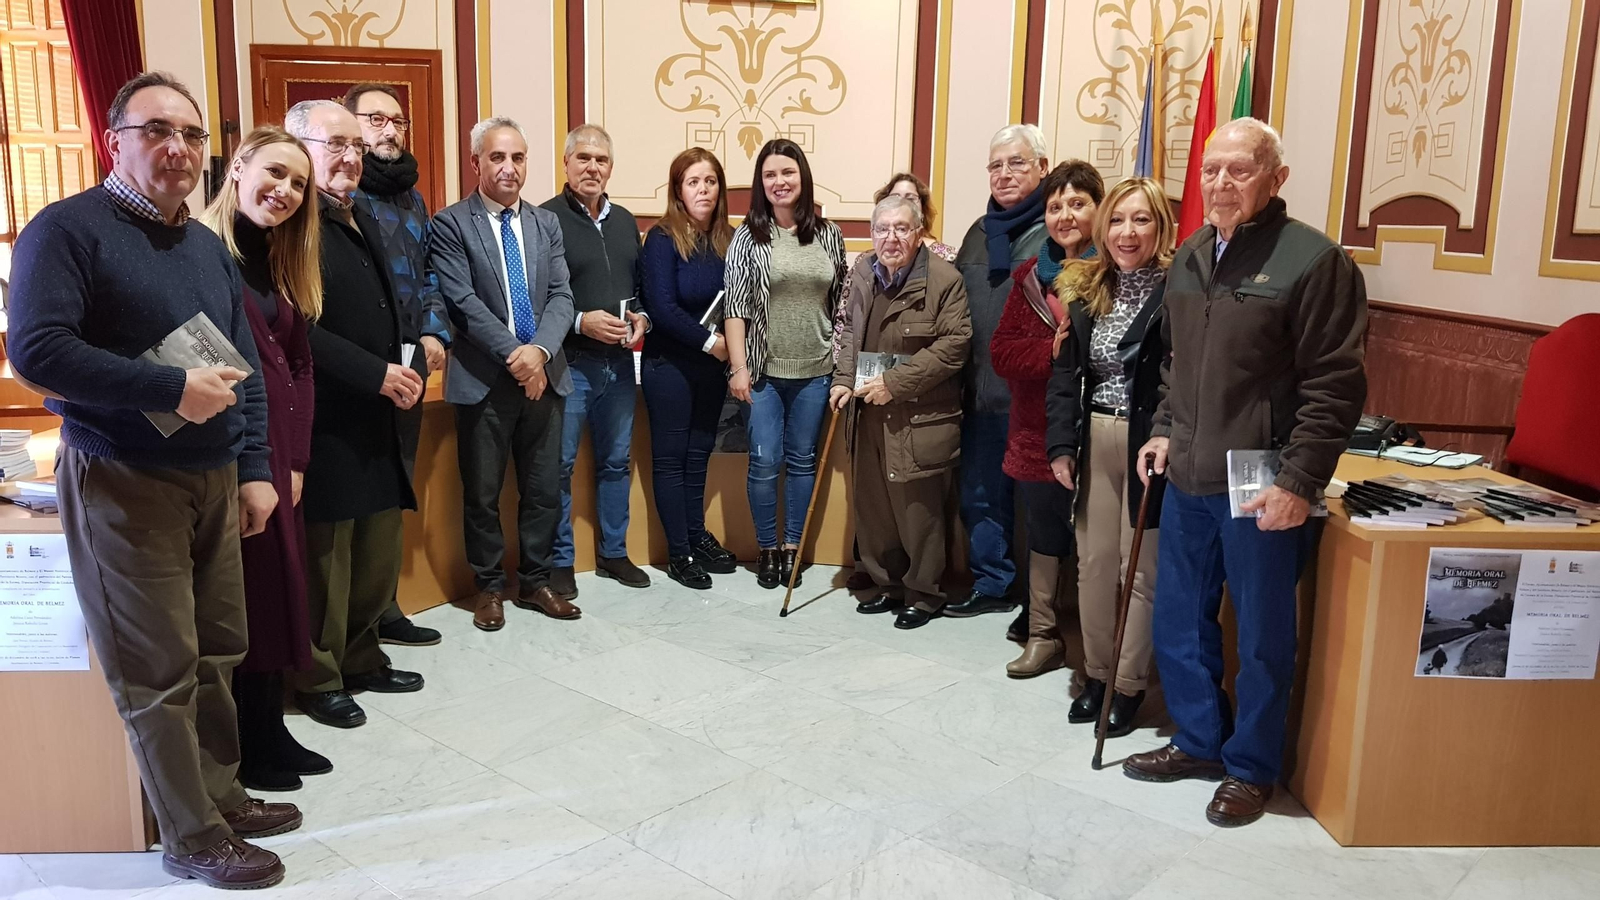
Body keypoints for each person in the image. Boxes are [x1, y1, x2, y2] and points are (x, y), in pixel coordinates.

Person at [7, 71, 298, 889]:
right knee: (158, 665)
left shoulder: (205, 246)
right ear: (117, 141)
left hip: (210, 480)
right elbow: (37, 351)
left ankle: (221, 794)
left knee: (217, 651)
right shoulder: (65, 231)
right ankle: (193, 833)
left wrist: (252, 471)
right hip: (122, 478)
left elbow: (233, 369)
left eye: (193, 136)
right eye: (157, 131)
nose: (178, 149)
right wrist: (168, 389)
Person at [1123, 118, 1368, 828]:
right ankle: (1200, 740)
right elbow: (1175, 366)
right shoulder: (1193, 253)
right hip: (1190, 478)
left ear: (1275, 179)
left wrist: (1299, 482)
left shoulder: (1314, 263)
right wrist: (1164, 430)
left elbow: (1335, 385)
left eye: (1240, 170)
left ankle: (1252, 766)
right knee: (1179, 620)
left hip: (1262, 482)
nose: (1222, 183)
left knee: (1262, 636)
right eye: (1212, 171)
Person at [197, 126, 333, 792]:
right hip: (232, 455)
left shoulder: (278, 263)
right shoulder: (203, 252)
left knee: (280, 588)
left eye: (298, 184)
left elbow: (300, 365)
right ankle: (248, 741)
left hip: (279, 456)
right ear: (239, 167)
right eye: (275, 174)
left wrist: (298, 458)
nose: (284, 191)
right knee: (244, 597)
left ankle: (270, 727)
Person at [286, 99, 427, 729]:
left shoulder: (357, 212)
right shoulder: (292, 224)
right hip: (327, 415)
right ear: (299, 151)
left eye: (355, 147)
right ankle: (320, 677)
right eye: (334, 145)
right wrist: (375, 373)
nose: (349, 157)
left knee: (375, 544)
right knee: (329, 556)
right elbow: (297, 328)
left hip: (378, 410)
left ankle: (363, 657)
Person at [430, 117, 578, 631]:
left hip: (546, 378)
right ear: (476, 163)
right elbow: (463, 303)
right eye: (497, 157)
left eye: (517, 158)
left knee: (542, 489)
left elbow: (562, 296)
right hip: (484, 382)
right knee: (482, 494)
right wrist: (519, 357)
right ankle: (489, 588)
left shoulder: (545, 224)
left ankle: (536, 582)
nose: (509, 168)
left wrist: (538, 353)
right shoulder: (449, 224)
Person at [1044, 176, 1174, 736]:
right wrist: (1059, 445)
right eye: (1117, 220)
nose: (1126, 232)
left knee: (1138, 571)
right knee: (1094, 566)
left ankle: (1126, 686)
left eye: (1141, 220)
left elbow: (1181, 377)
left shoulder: (1180, 290)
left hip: (1151, 443)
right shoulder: (1085, 283)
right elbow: (1065, 372)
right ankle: (1095, 674)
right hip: (1094, 434)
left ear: (1161, 227)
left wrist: (1168, 434)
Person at [830, 195, 971, 628]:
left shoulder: (945, 279)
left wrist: (895, 384)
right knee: (875, 507)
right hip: (867, 411)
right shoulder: (862, 272)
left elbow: (954, 346)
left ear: (918, 232)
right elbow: (849, 330)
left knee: (917, 509)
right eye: (882, 229)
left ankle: (924, 593)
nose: (890, 238)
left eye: (901, 228)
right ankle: (887, 584)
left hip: (917, 414)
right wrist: (842, 378)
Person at [990, 159, 1105, 677]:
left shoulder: (1122, 275)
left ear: (1099, 209)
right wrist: (1051, 351)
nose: (1065, 216)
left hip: (1105, 431)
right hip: (1039, 430)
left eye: (1078, 203)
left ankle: (1101, 649)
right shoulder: (1029, 280)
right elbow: (1002, 353)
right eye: (1056, 206)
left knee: (1101, 540)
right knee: (1044, 531)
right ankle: (1043, 633)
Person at [345, 81, 449, 649]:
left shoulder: (410, 194)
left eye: (397, 120)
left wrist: (435, 329)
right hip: (357, 365)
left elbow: (430, 272)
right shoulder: (337, 193)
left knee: (393, 485)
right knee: (353, 493)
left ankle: (384, 608)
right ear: (351, 125)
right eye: (376, 119)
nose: (389, 129)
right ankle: (352, 622)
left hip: (410, 361)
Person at [723, 138, 847, 589]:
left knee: (801, 461)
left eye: (787, 173)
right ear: (761, 182)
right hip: (763, 374)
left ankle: (793, 546)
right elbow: (734, 307)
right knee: (764, 462)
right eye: (770, 174)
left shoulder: (829, 234)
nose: (779, 182)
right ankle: (768, 548)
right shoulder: (748, 236)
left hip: (815, 371)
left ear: (802, 177)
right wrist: (738, 367)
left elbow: (840, 306)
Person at [944, 124, 1050, 621]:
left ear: (1042, 168)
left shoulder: (1057, 229)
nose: (1003, 174)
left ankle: (1040, 600)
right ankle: (993, 583)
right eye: (995, 165)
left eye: (1016, 163)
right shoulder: (977, 233)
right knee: (980, 494)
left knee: (1039, 506)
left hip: (1035, 396)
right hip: (979, 391)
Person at [541, 124, 650, 597]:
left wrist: (642, 316)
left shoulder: (626, 221)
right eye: (582, 158)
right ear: (565, 164)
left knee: (615, 462)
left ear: (611, 169)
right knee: (559, 465)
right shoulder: (545, 219)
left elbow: (640, 290)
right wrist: (580, 321)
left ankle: (613, 553)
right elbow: (534, 298)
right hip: (569, 363)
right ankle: (559, 561)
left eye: (601, 160)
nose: (592, 167)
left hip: (621, 366)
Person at [638, 148, 740, 589]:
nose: (704, 189)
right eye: (694, 181)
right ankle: (677, 552)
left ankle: (697, 536)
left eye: (711, 181)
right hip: (670, 367)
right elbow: (660, 306)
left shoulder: (729, 240)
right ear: (678, 190)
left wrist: (727, 350)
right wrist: (711, 343)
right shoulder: (662, 238)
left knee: (699, 456)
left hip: (710, 370)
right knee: (671, 461)